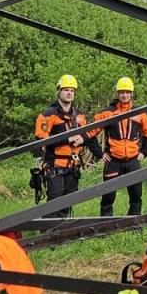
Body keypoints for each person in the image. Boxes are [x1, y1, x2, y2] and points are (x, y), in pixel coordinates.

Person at [33, 74, 101, 220]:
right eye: (66, 90)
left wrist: (85, 142)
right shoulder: (48, 115)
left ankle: (62, 234)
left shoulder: (79, 116)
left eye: (72, 90)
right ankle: (46, 235)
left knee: (68, 202)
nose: (69, 93)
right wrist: (66, 139)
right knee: (54, 202)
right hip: (54, 164)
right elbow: (40, 139)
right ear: (59, 91)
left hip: (73, 165)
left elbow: (88, 136)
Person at [91, 76, 147, 218]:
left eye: (127, 92)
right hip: (113, 160)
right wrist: (99, 154)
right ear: (117, 93)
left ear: (132, 93)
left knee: (136, 195)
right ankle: (105, 225)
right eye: (121, 92)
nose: (124, 95)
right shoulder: (107, 113)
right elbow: (90, 133)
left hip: (133, 159)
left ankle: (134, 222)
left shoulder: (140, 112)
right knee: (108, 196)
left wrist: (144, 152)